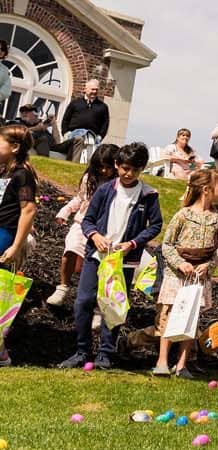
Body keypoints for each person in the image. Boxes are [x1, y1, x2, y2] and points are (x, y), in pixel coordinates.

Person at [59, 142, 161, 369]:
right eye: (125, 168)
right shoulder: (105, 190)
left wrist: (133, 243)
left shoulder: (148, 195)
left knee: (113, 306)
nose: (129, 173)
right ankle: (82, 351)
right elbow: (87, 220)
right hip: (96, 256)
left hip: (123, 260)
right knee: (84, 301)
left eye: (135, 169)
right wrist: (94, 236)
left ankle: (105, 354)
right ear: (117, 164)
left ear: (142, 168)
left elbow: (155, 225)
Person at [154, 169, 218, 378]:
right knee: (169, 315)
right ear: (206, 190)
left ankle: (181, 364)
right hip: (176, 275)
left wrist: (209, 264)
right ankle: (161, 360)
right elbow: (167, 244)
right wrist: (180, 263)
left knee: (191, 317)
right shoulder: (183, 215)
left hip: (199, 276)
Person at [47, 145, 117, 307]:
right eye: (101, 167)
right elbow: (80, 199)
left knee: (100, 265)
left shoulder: (118, 184)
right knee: (70, 249)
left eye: (108, 167)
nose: (104, 171)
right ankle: (63, 287)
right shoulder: (90, 178)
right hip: (82, 222)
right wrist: (65, 211)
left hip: (105, 229)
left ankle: (97, 301)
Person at [0, 126, 37, 315]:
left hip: (5, 233)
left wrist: (15, 246)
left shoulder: (22, 175)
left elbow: (28, 210)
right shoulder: (4, 172)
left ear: (14, 147)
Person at [58, 79, 109, 156]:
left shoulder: (103, 107)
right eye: (92, 89)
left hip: (92, 137)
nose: (95, 92)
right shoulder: (75, 103)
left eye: (96, 90)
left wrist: (100, 136)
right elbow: (65, 119)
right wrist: (65, 133)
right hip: (74, 134)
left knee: (87, 159)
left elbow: (105, 124)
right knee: (71, 154)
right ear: (85, 89)